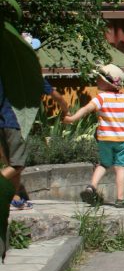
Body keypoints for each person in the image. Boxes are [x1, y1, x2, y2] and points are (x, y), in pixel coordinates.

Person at [1, 33, 69, 211]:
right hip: (15, 123)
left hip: (2, 122)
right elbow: (56, 96)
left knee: (12, 164)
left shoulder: (5, 71)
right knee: (17, 164)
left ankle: (14, 198)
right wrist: (66, 110)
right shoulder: (28, 74)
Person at [64, 64, 124, 208]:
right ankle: (120, 199)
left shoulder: (100, 98)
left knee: (103, 164)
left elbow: (85, 109)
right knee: (120, 168)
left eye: (99, 78)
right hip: (121, 140)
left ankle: (92, 186)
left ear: (106, 82)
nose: (96, 79)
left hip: (105, 139)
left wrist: (72, 119)